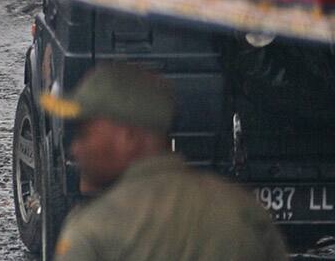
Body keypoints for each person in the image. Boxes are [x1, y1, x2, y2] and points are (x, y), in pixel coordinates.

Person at [41, 62, 288, 260]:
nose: (75, 148)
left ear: (127, 137)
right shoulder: (243, 211)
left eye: (85, 133)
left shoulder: (93, 230)